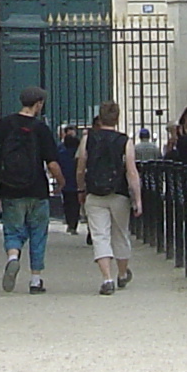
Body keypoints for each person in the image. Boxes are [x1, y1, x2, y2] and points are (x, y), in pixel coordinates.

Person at [0, 86, 61, 293]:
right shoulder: (41, 129)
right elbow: (52, 164)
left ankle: (12, 256)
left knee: (13, 229)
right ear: (39, 104)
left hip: (10, 188)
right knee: (38, 233)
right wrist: (61, 182)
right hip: (37, 189)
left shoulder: (5, 124)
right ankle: (36, 280)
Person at [79, 101, 142, 295]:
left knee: (100, 236)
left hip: (95, 193)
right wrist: (137, 198)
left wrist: (81, 189)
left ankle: (107, 278)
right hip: (119, 193)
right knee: (120, 234)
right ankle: (122, 274)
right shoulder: (125, 141)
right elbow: (132, 172)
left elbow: (81, 167)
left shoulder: (88, 139)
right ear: (117, 118)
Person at [56, 125, 84, 234]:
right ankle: (73, 223)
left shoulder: (61, 149)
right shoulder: (77, 149)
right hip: (74, 179)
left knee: (67, 202)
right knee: (75, 203)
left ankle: (70, 223)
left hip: (65, 178)